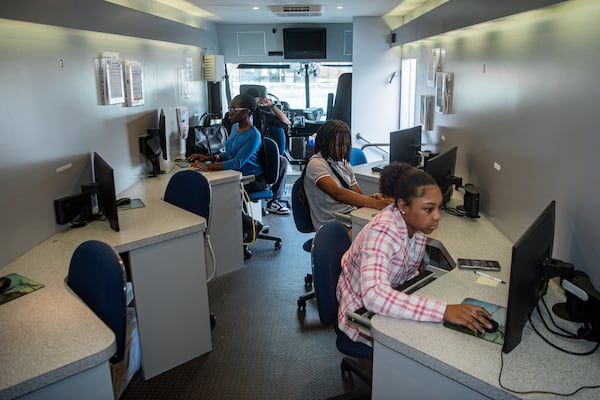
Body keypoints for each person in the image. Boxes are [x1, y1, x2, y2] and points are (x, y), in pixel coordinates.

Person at [336, 162, 494, 347]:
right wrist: (443, 310)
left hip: (394, 293)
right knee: (435, 344)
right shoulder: (382, 233)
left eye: (438, 208)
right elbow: (374, 297)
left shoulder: (416, 226)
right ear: (403, 205)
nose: (437, 216)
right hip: (359, 312)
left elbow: (408, 270)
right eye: (428, 209)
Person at [188, 94, 266, 255]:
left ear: (245, 112)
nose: (228, 113)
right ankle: (247, 225)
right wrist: (209, 158)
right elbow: (228, 154)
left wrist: (207, 167)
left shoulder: (254, 136)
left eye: (233, 109)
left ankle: (253, 224)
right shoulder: (234, 128)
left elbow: (237, 162)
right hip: (234, 174)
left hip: (252, 178)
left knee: (222, 199)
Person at [303, 119, 391, 232]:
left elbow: (356, 194)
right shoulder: (316, 163)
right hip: (331, 224)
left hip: (349, 216)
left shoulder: (344, 164)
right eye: (339, 145)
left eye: (346, 145)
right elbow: (337, 193)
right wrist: (376, 204)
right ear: (325, 143)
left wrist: (373, 198)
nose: (344, 149)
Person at [246, 87, 291, 215]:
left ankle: (274, 201)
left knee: (282, 162)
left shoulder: (263, 115)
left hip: (260, 153)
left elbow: (286, 122)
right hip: (247, 155)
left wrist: (271, 106)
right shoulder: (235, 119)